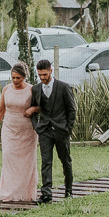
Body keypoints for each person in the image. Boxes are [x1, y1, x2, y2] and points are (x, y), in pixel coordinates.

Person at [26, 59, 75, 203]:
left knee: (65, 161)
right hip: (45, 131)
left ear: (51, 71)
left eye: (45, 74)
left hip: (61, 131)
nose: (42, 77)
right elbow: (33, 109)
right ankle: (46, 195)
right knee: (46, 162)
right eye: (40, 75)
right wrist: (36, 126)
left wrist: (68, 129)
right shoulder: (35, 89)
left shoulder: (64, 87)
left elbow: (71, 109)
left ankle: (68, 191)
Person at [0, 62, 38, 201]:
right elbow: (0, 110)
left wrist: (33, 109)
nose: (15, 81)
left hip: (27, 131)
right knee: (8, 157)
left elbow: (43, 107)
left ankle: (25, 193)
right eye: (13, 78)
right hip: (9, 129)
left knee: (26, 162)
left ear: (25, 77)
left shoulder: (32, 90)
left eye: (19, 78)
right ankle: (8, 191)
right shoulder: (6, 89)